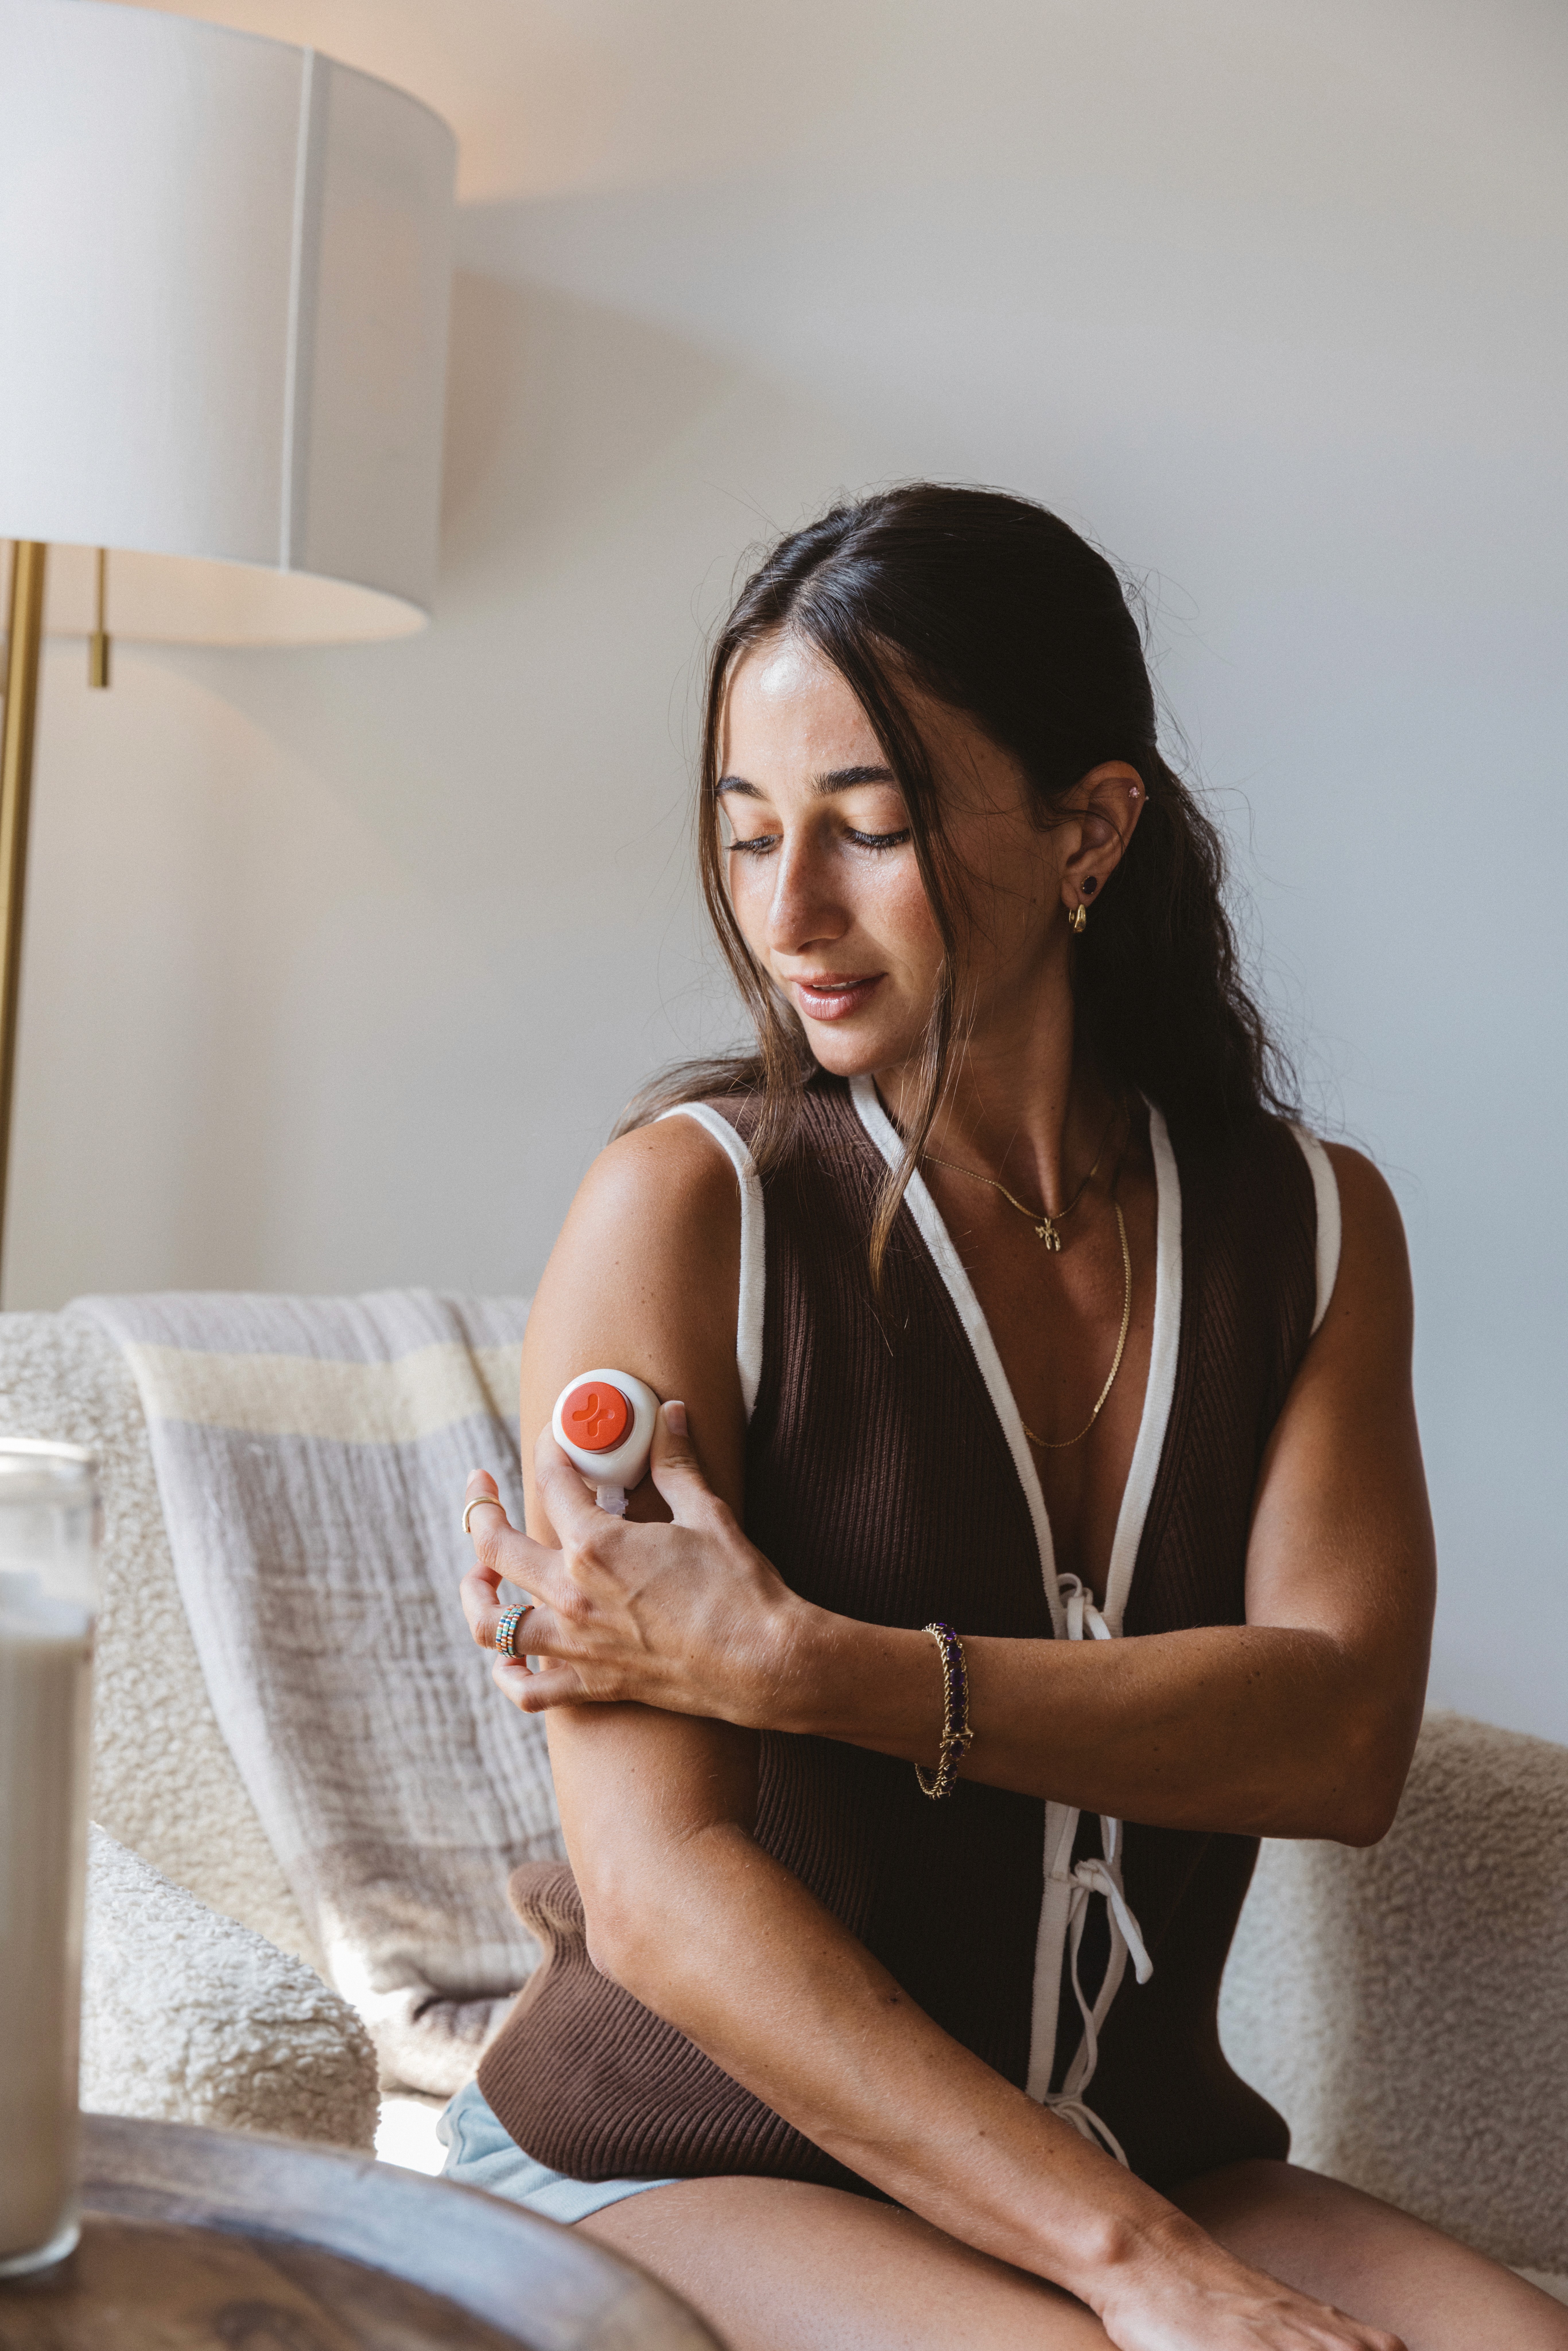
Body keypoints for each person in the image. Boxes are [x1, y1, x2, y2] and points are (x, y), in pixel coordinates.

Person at [451, 486, 1567, 2351]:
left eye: (869, 832)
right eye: (748, 839)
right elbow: (654, 1900)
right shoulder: (685, 1210)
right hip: (690, 2158)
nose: (787, 911)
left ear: (1090, 827)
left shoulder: (1306, 1231)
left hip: (1134, 2147)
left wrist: (817, 1670)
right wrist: (1145, 2274)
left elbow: (1337, 1737)